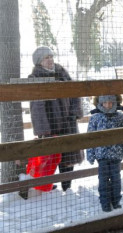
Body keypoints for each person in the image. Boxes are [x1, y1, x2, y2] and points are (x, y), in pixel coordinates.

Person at [29, 46, 84, 192]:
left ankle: (67, 187)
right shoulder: (36, 78)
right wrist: (44, 130)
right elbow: (36, 107)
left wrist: (74, 113)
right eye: (46, 58)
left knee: (68, 157)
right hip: (51, 125)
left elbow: (75, 93)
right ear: (39, 62)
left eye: (51, 57)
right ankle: (49, 186)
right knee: (50, 157)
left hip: (68, 122)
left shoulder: (62, 73)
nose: (50, 60)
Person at [86, 95, 123, 212]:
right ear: (100, 103)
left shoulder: (121, 117)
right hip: (101, 155)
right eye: (105, 103)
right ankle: (105, 203)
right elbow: (89, 138)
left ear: (115, 102)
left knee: (116, 179)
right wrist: (90, 154)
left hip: (116, 154)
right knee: (103, 180)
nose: (108, 105)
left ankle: (116, 201)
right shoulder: (95, 118)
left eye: (111, 103)